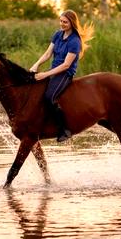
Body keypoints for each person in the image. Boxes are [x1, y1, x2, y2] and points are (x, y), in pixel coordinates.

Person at [30, 10, 94, 142]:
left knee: (49, 97)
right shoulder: (58, 35)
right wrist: (36, 65)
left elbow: (66, 65)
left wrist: (45, 74)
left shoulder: (75, 41)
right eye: (61, 21)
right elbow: (48, 54)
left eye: (65, 22)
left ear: (72, 23)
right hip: (54, 70)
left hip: (65, 74)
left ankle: (65, 129)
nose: (62, 24)